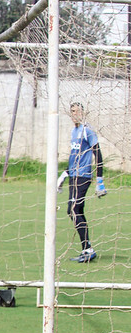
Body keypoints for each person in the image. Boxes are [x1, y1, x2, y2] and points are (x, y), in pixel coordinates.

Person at [57, 101, 106, 263]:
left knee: (73, 209)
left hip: (83, 176)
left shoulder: (87, 130)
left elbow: (98, 154)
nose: (74, 114)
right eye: (71, 111)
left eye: (76, 111)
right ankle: (87, 249)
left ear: (83, 112)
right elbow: (74, 156)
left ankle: (88, 249)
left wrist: (100, 181)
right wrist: (64, 174)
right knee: (75, 211)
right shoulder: (74, 131)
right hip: (74, 176)